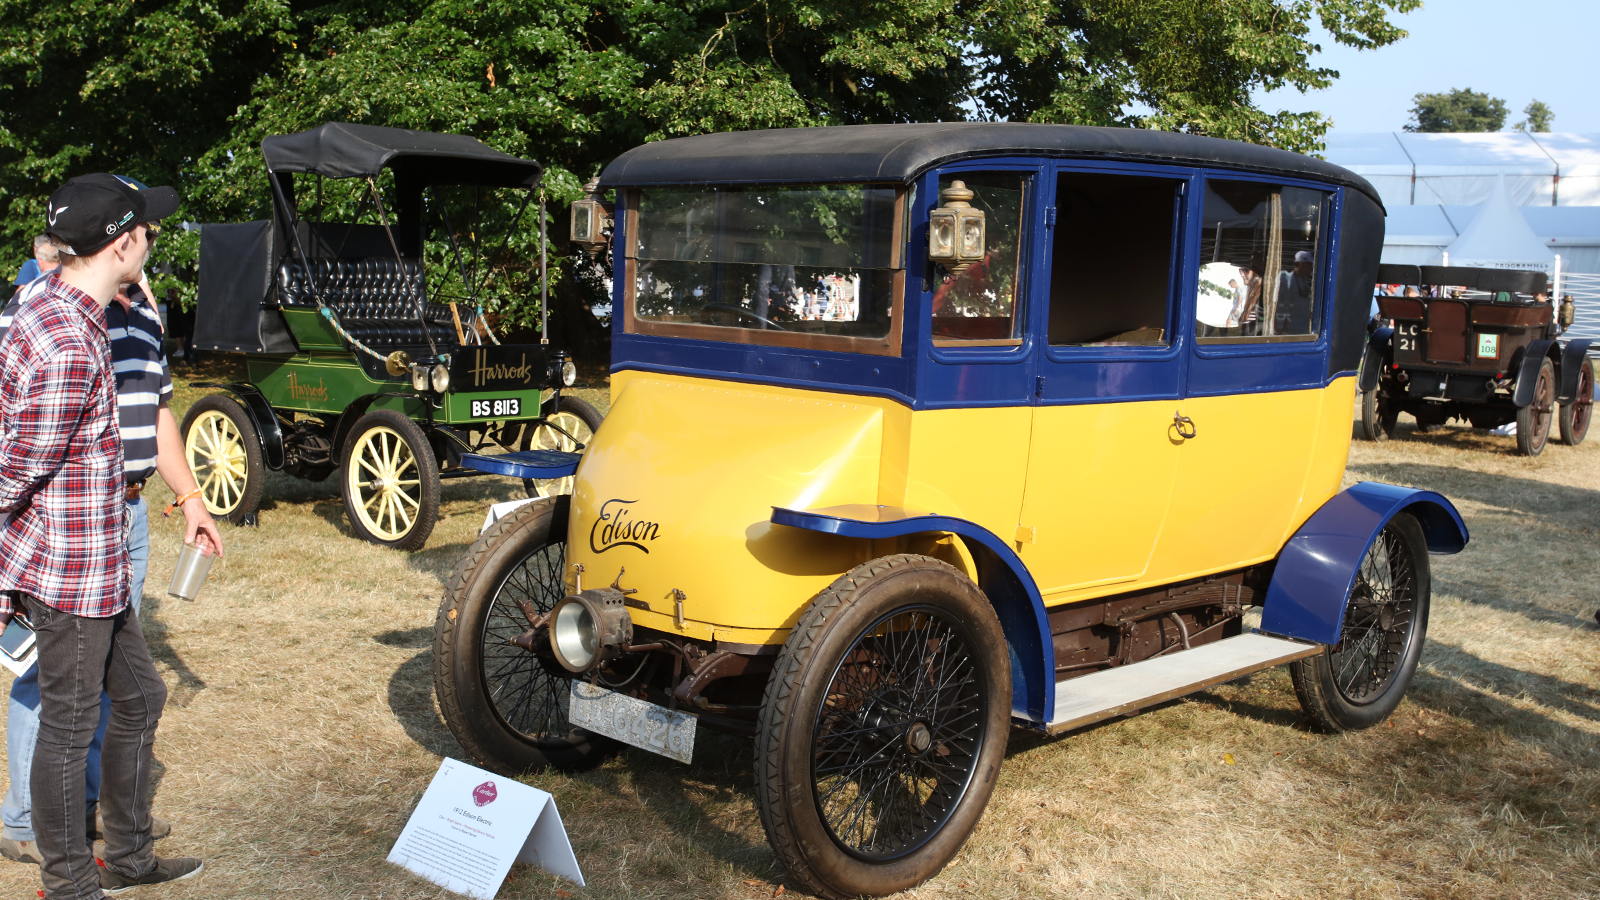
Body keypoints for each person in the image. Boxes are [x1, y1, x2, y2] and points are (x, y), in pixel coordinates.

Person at [0, 173, 207, 897]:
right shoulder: (65, 339)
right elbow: (12, 469)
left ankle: (128, 855)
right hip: (70, 566)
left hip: (102, 556)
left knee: (142, 697)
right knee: (67, 723)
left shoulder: (63, 305)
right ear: (122, 242)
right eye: (146, 231)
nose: (152, 239)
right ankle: (68, 881)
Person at [1275, 249, 1315, 334]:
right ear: (1301, 264)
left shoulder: (1305, 281)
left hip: (1304, 328)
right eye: (1309, 265)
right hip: (1290, 329)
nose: (1311, 268)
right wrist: (1279, 328)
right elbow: (1280, 305)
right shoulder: (1286, 279)